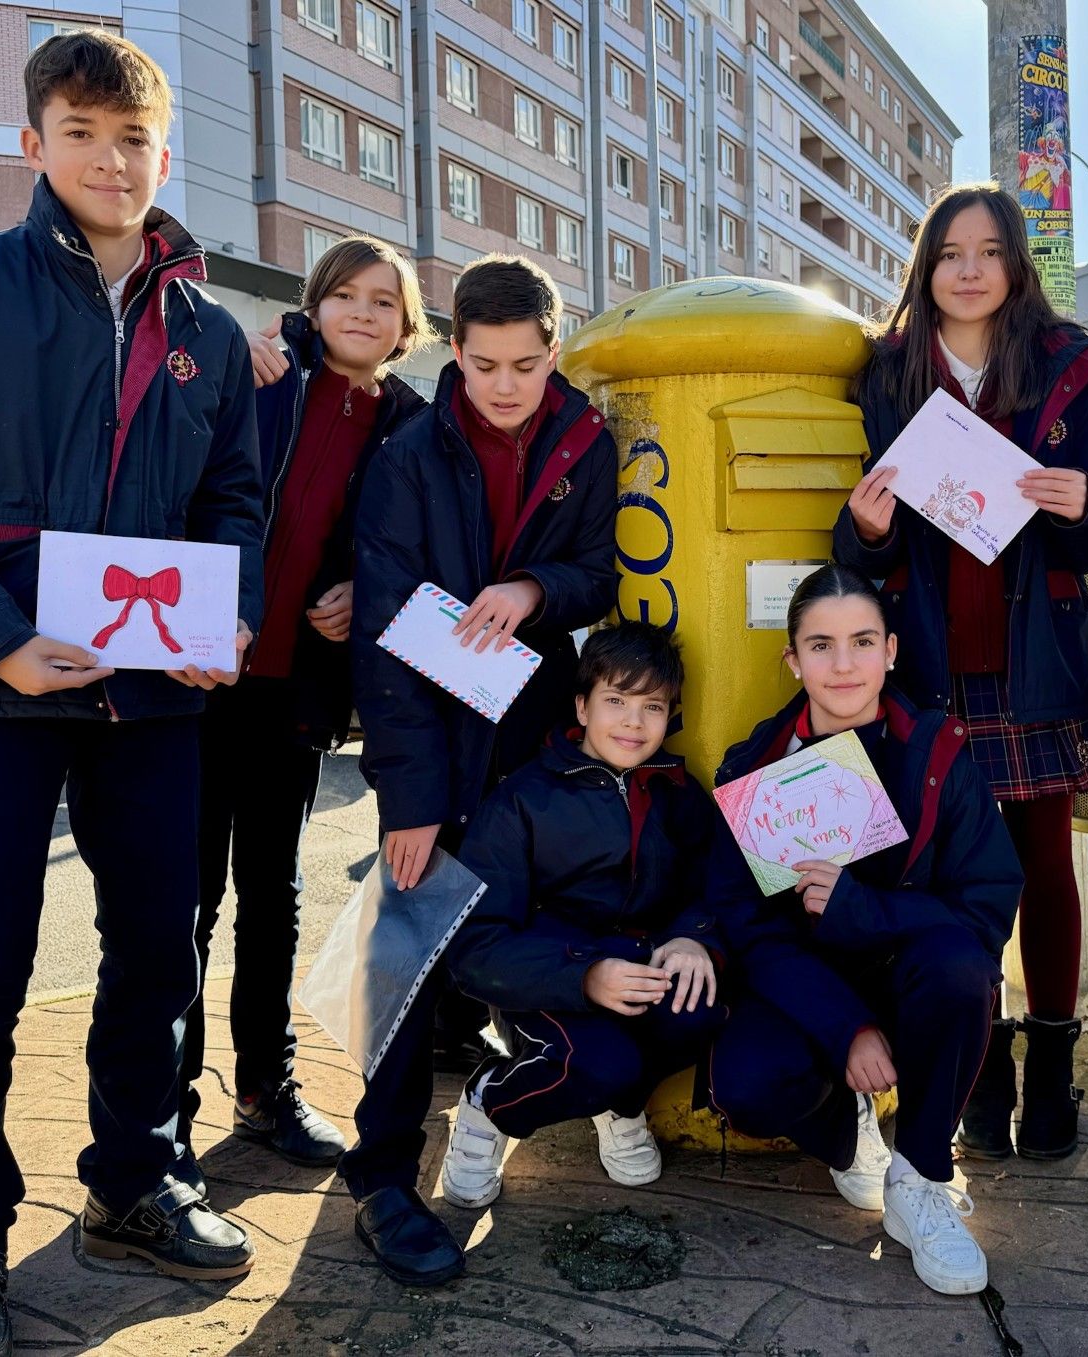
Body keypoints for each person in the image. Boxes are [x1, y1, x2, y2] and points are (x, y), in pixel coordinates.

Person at [0, 30, 267, 1357]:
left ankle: (136, 1180)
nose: (110, 158)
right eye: (81, 132)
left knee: (160, 951)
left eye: (132, 136)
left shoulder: (206, 326)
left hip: (154, 696)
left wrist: (233, 615)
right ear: (34, 145)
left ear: (161, 149)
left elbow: (233, 500)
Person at [343, 254, 619, 1285]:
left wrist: (534, 588)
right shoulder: (411, 453)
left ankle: (558, 1102)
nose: (506, 387)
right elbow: (383, 627)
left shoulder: (588, 441)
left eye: (528, 365)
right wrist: (408, 801)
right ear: (453, 350)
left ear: (556, 350)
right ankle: (379, 1178)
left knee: (537, 931)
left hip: (535, 731)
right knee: (405, 964)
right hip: (433, 738)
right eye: (485, 363)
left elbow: (598, 568)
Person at [835, 183, 1088, 1162]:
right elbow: (865, 537)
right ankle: (980, 1065)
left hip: (1031, 652)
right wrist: (863, 531)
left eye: (988, 251)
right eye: (950, 252)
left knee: (1044, 870)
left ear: (1015, 266)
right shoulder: (887, 374)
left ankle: (1051, 1068)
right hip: (934, 662)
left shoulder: (1067, 369)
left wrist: (1083, 501)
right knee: (959, 877)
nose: (967, 269)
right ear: (926, 265)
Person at [176, 236, 435, 1186]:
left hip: (297, 688)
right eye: (346, 296)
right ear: (315, 303)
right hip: (205, 674)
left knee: (273, 899)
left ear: (407, 326)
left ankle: (264, 1087)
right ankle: (169, 1101)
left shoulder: (409, 423)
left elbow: (413, 545)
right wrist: (227, 342)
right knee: (186, 898)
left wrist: (360, 586)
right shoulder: (264, 371)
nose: (363, 314)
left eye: (383, 302)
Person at [705, 565, 1024, 1297]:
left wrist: (865, 910)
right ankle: (844, 1126)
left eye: (860, 641)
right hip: (810, 991)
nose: (842, 664)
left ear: (891, 649)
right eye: (820, 645)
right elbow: (748, 927)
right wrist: (846, 1026)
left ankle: (919, 1177)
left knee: (960, 968)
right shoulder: (759, 766)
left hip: (911, 974)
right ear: (793, 660)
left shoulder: (937, 752)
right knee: (744, 1084)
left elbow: (985, 905)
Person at [438, 623, 724, 1207]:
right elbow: (473, 948)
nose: (633, 722)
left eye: (652, 706)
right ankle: (491, 1103)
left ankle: (619, 1106)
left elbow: (713, 887)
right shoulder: (523, 799)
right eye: (615, 701)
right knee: (600, 1063)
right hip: (544, 982)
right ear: (581, 706)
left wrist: (693, 938)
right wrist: (584, 977)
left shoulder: (676, 789)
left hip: (639, 965)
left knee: (704, 1008)